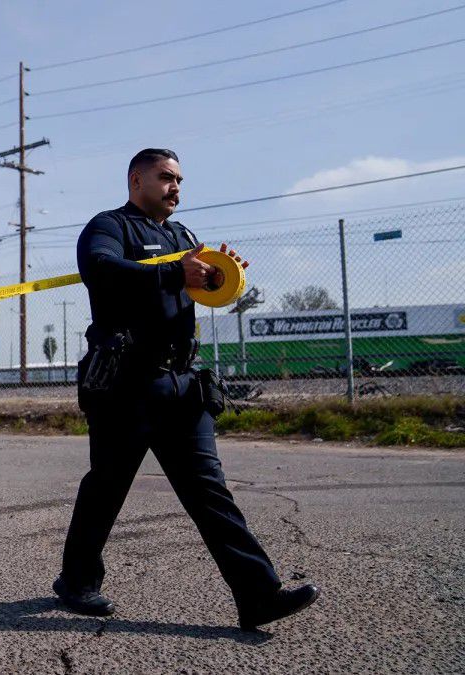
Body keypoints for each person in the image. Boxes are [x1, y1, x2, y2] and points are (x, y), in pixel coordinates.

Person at [53, 148, 319, 630]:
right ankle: (77, 581)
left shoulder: (184, 237)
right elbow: (100, 269)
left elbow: (200, 290)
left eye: (179, 180)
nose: (175, 187)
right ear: (136, 180)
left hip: (183, 383)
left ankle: (259, 595)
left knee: (209, 490)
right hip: (125, 385)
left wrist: (221, 276)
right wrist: (175, 271)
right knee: (107, 487)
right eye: (165, 177)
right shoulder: (109, 226)